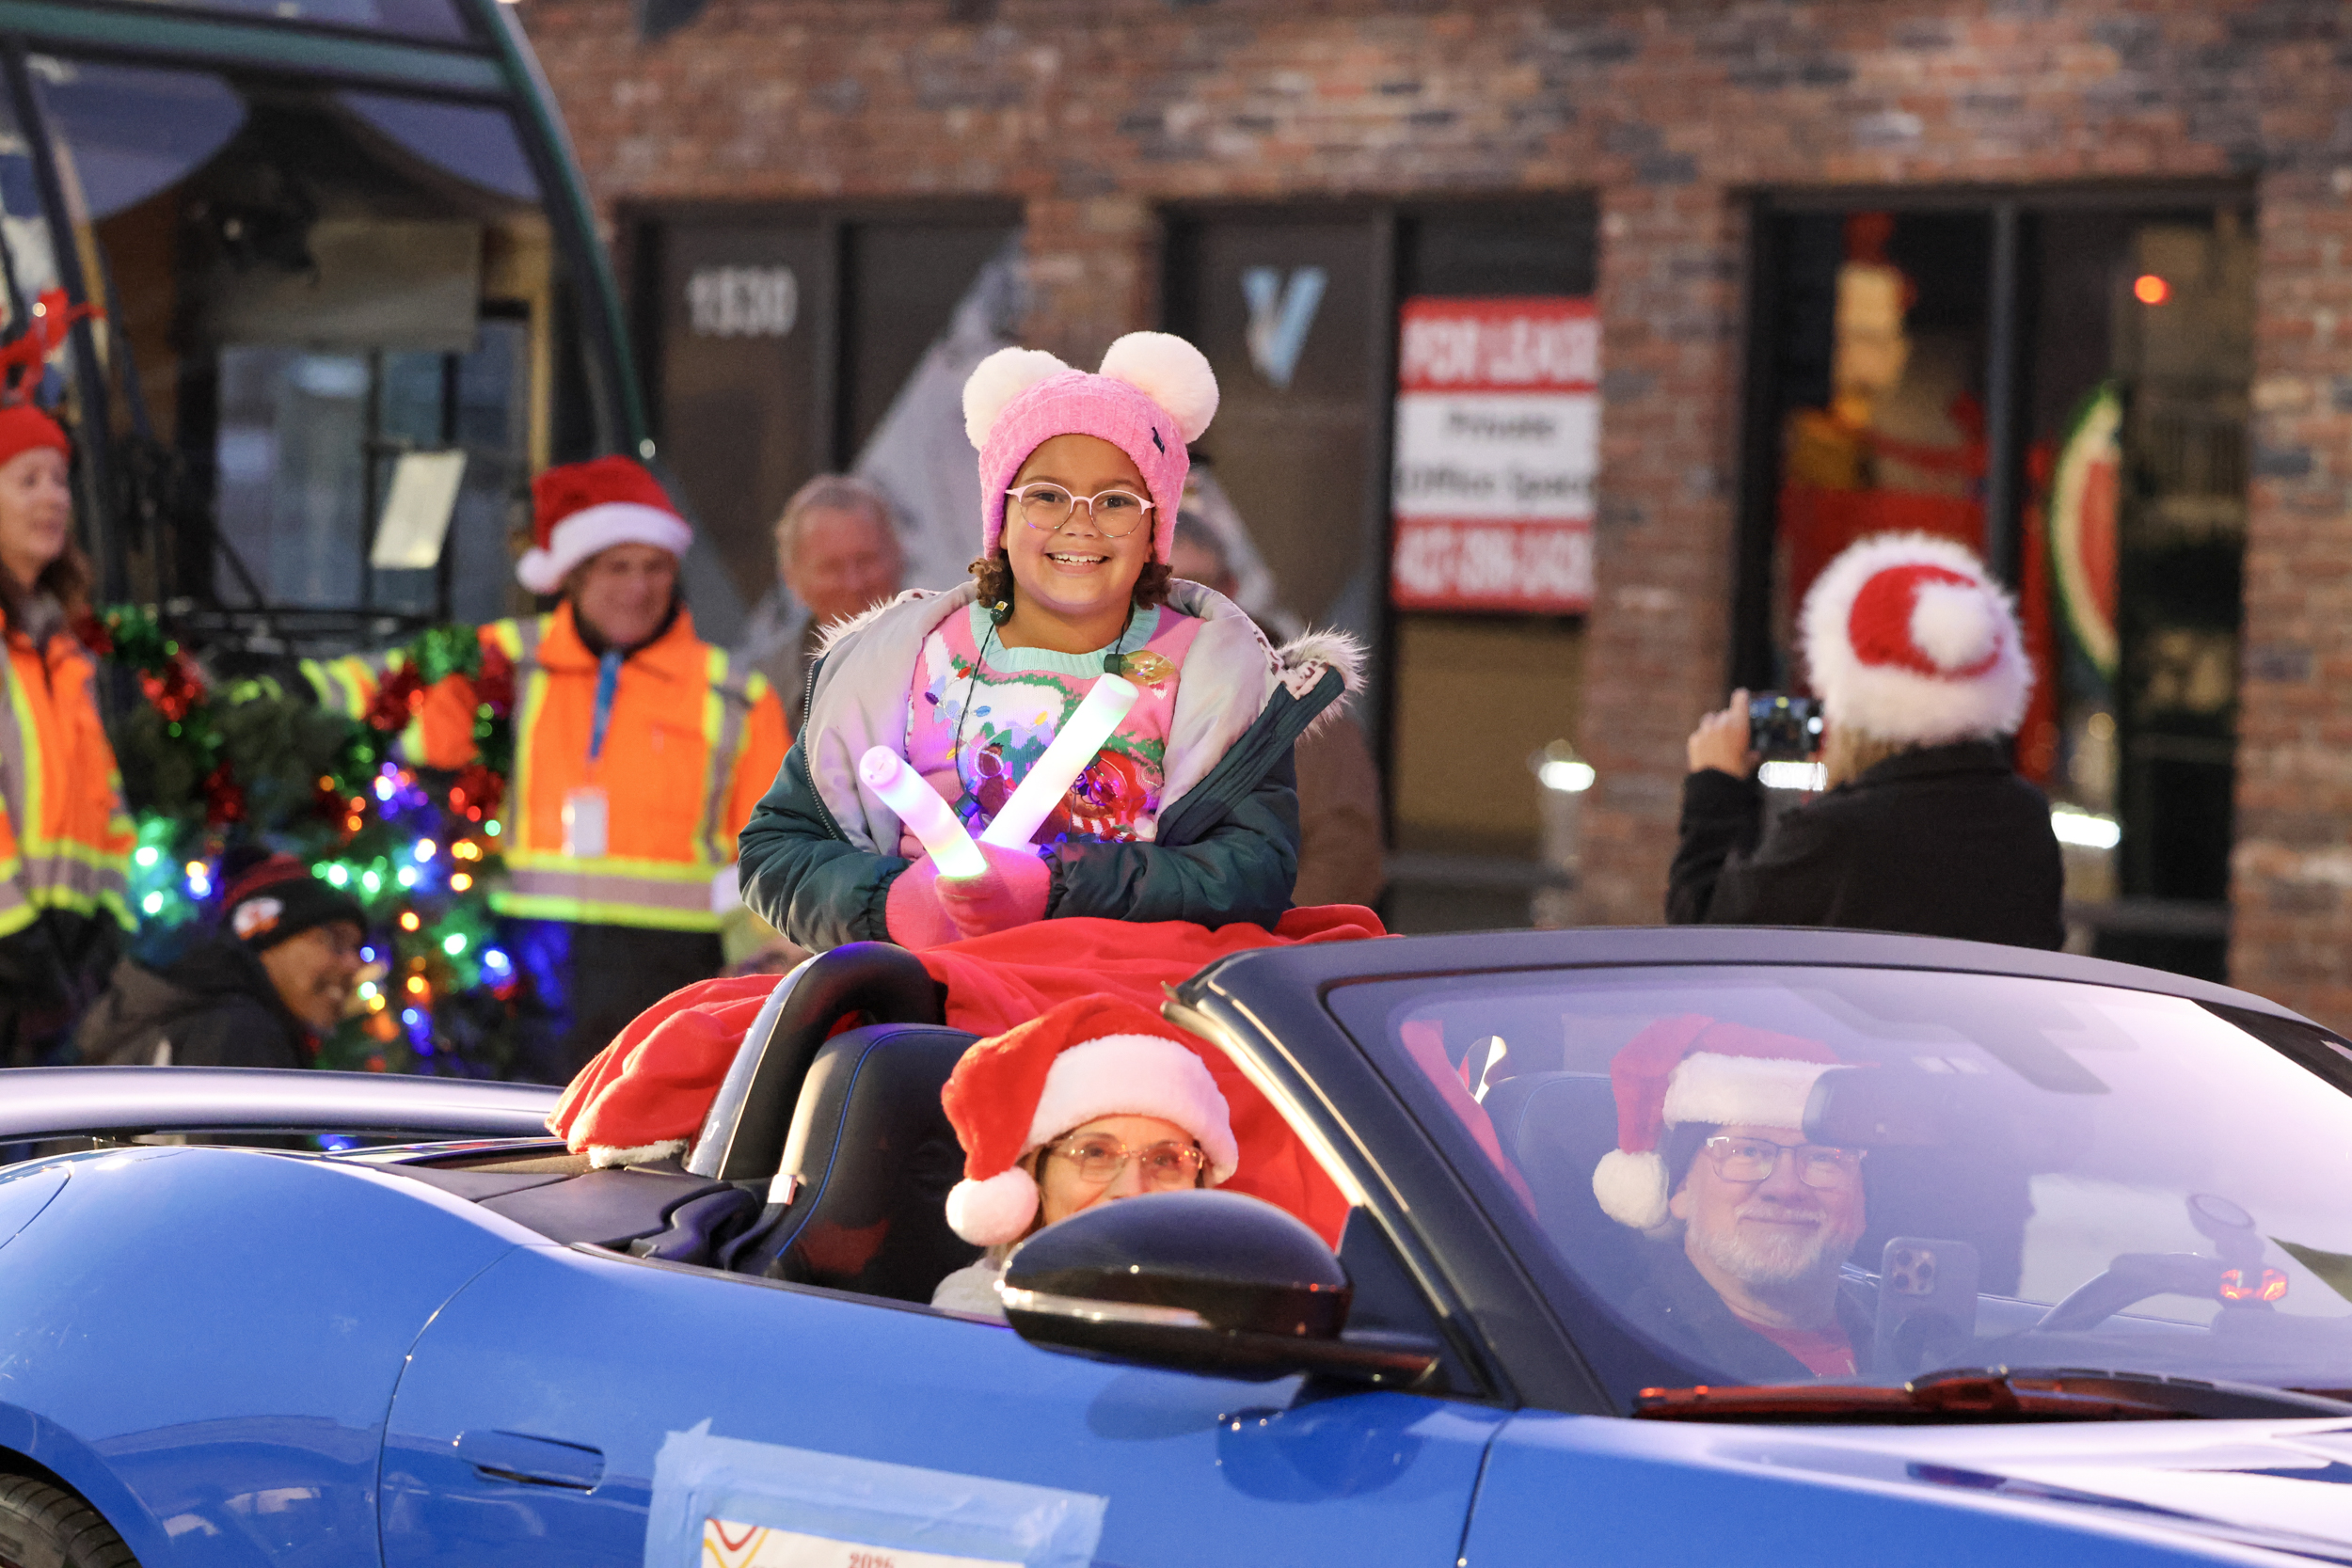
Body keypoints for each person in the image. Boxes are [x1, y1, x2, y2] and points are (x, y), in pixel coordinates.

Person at [737, 332, 1360, 952]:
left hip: (1123, 1018)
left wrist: (1055, 889)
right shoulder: (899, 660)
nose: (1079, 522)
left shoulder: (1214, 674)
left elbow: (1250, 872)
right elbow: (777, 850)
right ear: (1000, 520)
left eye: (1116, 500)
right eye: (1045, 496)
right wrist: (891, 904)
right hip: (921, 1019)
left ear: (1154, 531)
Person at [409, 456, 790, 1082]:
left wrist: (766, 962)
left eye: (656, 567)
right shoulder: (502, 664)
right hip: (515, 978)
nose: (638, 588)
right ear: (574, 575)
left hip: (670, 983)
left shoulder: (736, 696)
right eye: (618, 567)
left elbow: (766, 854)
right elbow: (411, 736)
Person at [1667, 533, 2064, 948]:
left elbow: (1703, 933)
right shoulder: (2026, 817)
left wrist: (1717, 786)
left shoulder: (1838, 834)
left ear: (1853, 707)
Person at [1591, 1016, 1872, 1380]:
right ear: (1680, 1189)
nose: (1785, 1188)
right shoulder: (1623, 1361)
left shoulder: (1920, 1339)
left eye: (1822, 1158)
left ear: (1861, 1199)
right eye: (1748, 1153)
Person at [930, 994, 1238, 1318]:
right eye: (1095, 1153)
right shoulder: (977, 1316)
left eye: (1166, 1160)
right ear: (1034, 1178)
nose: (1132, 1191)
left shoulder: (1235, 1317)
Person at [0, 403, 133, 1067]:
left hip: (59, 960)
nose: (54, 498)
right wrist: (19, 940)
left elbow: (103, 799)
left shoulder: (60, 644)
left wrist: (108, 921)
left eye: (60, 480)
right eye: (28, 481)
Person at [1168, 516, 1386, 910]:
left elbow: (1344, 856)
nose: (1187, 607)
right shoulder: (1099, 687)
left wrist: (1253, 941)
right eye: (1165, 588)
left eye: (1203, 587)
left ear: (1231, 589)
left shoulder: (1301, 699)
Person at [77, 851, 365, 1069]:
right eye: (334, 942)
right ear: (264, 939)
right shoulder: (240, 1036)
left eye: (357, 950)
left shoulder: (186, 1019)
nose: (354, 966)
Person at [739, 475, 907, 730]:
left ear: (899, 556)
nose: (854, 583)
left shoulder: (954, 658)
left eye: (866, 560)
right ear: (791, 577)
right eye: (832, 568)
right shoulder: (760, 689)